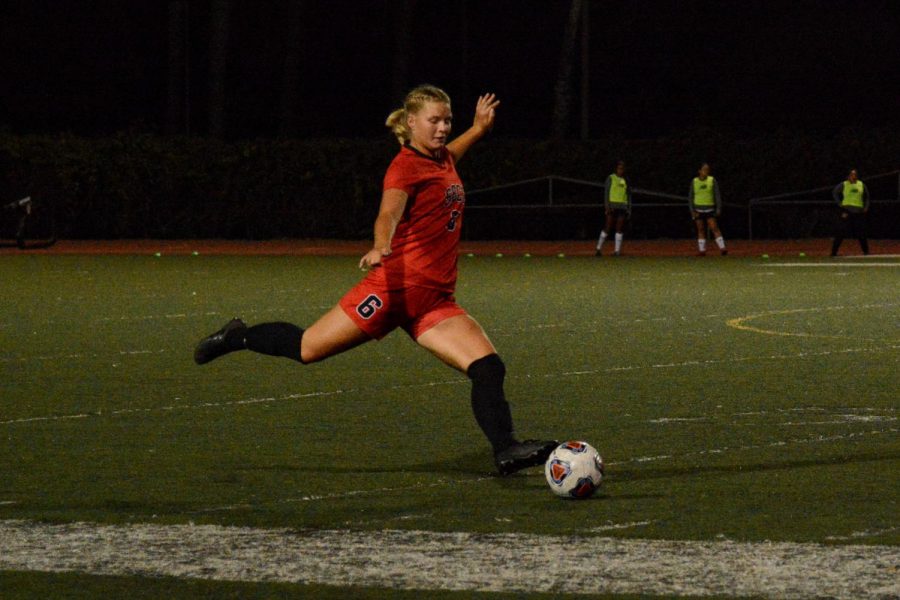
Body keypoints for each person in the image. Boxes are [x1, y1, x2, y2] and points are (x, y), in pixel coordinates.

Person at [193, 85, 557, 476]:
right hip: (391, 291)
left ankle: (506, 450)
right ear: (412, 122)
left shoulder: (441, 159)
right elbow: (388, 213)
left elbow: (451, 156)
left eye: (447, 120)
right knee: (308, 349)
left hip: (433, 301)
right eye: (434, 120)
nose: (442, 128)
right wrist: (380, 245)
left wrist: (477, 130)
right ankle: (238, 336)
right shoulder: (404, 166)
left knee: (488, 368)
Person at [688, 163, 727, 256]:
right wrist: (692, 210)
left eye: (707, 170)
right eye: (704, 169)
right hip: (698, 209)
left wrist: (718, 208)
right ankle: (702, 250)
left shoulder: (712, 180)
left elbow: (717, 195)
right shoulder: (694, 181)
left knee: (714, 227)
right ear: (699, 171)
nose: (706, 171)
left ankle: (723, 248)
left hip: (709, 209)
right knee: (700, 229)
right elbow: (690, 197)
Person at [595, 160, 631, 257]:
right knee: (607, 227)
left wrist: (628, 208)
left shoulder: (626, 179)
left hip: (622, 207)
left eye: (622, 168)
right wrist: (607, 206)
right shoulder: (611, 178)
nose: (621, 170)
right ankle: (598, 248)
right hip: (612, 206)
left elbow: (628, 195)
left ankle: (617, 251)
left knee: (619, 229)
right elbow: (606, 192)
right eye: (619, 168)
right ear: (616, 169)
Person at [830, 168, 870, 256]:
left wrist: (866, 207)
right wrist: (840, 205)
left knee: (861, 232)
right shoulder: (844, 184)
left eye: (855, 174)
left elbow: (867, 197)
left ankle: (866, 252)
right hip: (847, 211)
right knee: (841, 231)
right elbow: (835, 193)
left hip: (858, 212)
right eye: (851, 174)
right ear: (848, 176)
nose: (853, 176)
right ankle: (833, 252)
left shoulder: (861, 184)